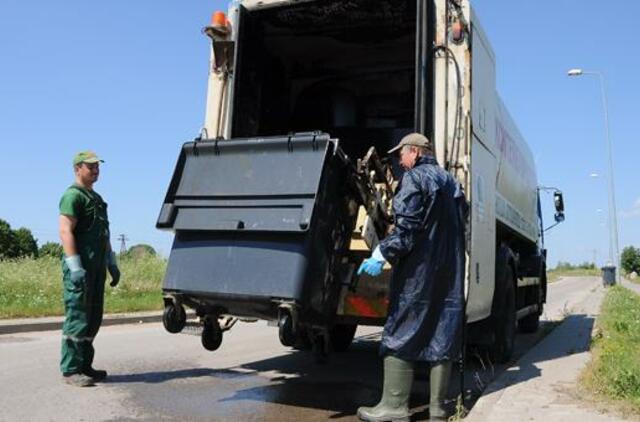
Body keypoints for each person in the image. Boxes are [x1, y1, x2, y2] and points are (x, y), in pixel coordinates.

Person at [356, 133, 467, 421]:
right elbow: (460, 224)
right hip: (449, 271)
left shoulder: (414, 179)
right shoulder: (452, 182)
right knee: (442, 332)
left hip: (417, 273)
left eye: (401, 155)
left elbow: (406, 232)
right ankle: (438, 410)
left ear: (415, 152)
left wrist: (380, 254)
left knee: (400, 331)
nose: (398, 161)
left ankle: (394, 407)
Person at [58, 151, 121, 387]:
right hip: (81, 267)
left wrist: (112, 262)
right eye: (90, 166)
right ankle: (71, 369)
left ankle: (85, 365)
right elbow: (65, 230)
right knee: (78, 317)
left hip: (96, 268)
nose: (96, 170)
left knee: (93, 319)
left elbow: (104, 234)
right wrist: (74, 266)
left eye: (97, 166)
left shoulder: (96, 198)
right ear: (77, 169)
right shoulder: (72, 196)